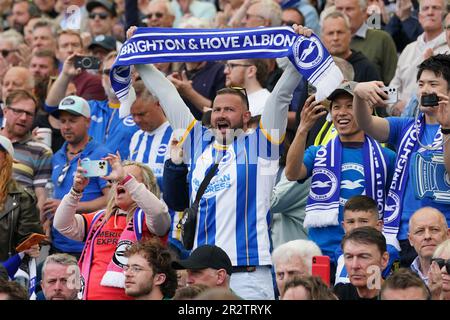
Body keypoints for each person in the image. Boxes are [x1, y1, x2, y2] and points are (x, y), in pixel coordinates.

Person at [131, 23, 305, 299]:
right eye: (217, 109)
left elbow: (281, 96)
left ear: (246, 117)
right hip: (202, 274)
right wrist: (139, 59)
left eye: (230, 110)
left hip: (247, 273)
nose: (221, 115)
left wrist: (299, 56)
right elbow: (167, 95)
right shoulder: (197, 140)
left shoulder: (262, 143)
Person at [353, 54, 450, 267]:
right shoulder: (405, 126)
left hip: (442, 236)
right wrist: (358, 95)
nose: (425, 90)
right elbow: (365, 122)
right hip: (404, 235)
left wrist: (447, 128)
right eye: (421, 84)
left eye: (434, 84)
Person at [285, 81, 395, 260]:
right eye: (336, 107)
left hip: (366, 252)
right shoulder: (317, 152)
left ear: (364, 111)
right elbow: (291, 173)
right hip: (323, 253)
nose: (341, 113)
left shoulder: (386, 157)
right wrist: (303, 128)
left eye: (350, 106)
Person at [53, 154, 171, 300]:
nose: (121, 182)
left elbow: (159, 213)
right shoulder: (100, 218)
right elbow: (61, 224)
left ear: (144, 188)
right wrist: (75, 191)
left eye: (127, 178)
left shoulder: (147, 218)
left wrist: (126, 180)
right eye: (117, 180)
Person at [43, 95, 111, 258]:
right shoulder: (58, 155)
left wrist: (69, 206)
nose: (66, 126)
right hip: (58, 243)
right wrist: (47, 220)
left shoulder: (99, 155)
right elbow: (55, 195)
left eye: (72, 120)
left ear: (87, 121)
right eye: (63, 121)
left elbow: (110, 199)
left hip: (87, 244)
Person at [46, 51, 139, 159]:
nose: (113, 77)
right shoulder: (90, 107)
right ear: (101, 77)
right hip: (87, 172)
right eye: (108, 72)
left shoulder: (142, 111)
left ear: (133, 76)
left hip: (123, 173)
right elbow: (52, 108)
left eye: (120, 71)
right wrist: (65, 75)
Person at [389, 0, 448, 116]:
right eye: (425, 9)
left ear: (446, 15)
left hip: (437, 122)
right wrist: (393, 106)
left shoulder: (448, 48)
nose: (430, 12)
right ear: (420, 17)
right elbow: (393, 86)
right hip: (402, 121)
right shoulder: (408, 49)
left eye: (435, 8)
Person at [0, 90, 52, 216]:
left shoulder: (41, 150)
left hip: (18, 220)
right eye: (18, 111)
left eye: (29, 114)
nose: (23, 118)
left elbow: (42, 197)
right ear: (5, 111)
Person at [335, 195, 399, 285]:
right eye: (351, 222)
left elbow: (391, 287)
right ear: (343, 226)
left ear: (378, 225)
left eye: (363, 221)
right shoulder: (339, 251)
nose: (356, 227)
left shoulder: (389, 251)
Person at [335, 0, 398, 84]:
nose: (343, 14)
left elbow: (392, 81)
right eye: (339, 9)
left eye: (349, 9)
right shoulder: (329, 40)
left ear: (364, 12)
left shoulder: (382, 39)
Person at [0, 135, 42, 261]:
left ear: (6, 159)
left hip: (5, 274)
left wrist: (31, 247)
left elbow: (27, 243)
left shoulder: (22, 198)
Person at [321, 10, 381, 82]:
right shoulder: (317, 68)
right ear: (322, 38)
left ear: (350, 35)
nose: (335, 38)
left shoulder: (366, 68)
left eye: (340, 32)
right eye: (330, 33)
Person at [334, 226, 389, 300]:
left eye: (364, 257)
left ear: (383, 260)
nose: (354, 266)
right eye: (349, 257)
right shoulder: (339, 294)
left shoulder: (400, 296)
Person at [408, 207, 449, 285]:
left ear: (448, 234)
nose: (427, 236)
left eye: (434, 230)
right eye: (420, 231)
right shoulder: (402, 278)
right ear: (410, 239)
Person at [223, 58, 270, 126]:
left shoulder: (266, 102)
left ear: (251, 71)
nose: (225, 71)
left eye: (232, 66)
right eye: (226, 66)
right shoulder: (229, 99)